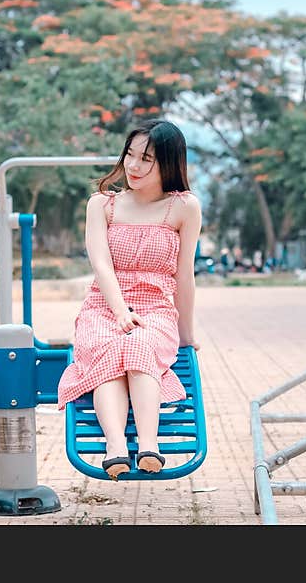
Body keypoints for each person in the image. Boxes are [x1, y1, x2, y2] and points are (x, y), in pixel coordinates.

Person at [57, 119, 201, 480]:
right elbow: (101, 265)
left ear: (168, 162)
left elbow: (185, 275)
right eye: (130, 156)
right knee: (109, 350)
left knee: (139, 347)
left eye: (146, 159)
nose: (133, 166)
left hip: (155, 310)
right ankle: (116, 447)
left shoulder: (184, 207)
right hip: (103, 308)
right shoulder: (102, 205)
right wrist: (120, 312)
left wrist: (188, 332)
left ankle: (149, 446)